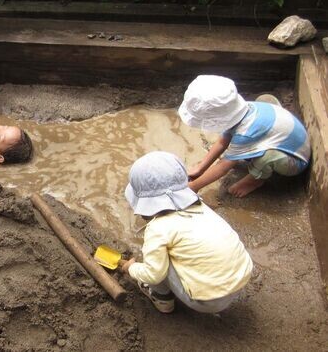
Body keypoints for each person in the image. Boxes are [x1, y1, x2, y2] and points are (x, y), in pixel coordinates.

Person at [119, 151, 253, 314]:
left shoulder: (158, 228)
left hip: (209, 301)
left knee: (156, 265)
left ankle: (162, 300)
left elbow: (153, 274)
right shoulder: (201, 207)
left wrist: (131, 268)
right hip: (241, 279)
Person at [178, 75, 310, 197]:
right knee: (265, 101)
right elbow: (222, 142)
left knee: (265, 158)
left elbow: (224, 166)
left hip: (296, 159)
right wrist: (201, 168)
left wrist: (194, 186)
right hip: (285, 133)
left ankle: (255, 180)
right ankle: (258, 155)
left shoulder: (245, 134)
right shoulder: (245, 109)